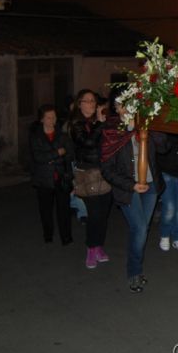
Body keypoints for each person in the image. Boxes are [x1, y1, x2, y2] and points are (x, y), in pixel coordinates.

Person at [100, 99, 165, 293]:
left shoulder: (145, 125)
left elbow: (164, 148)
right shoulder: (111, 132)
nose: (129, 109)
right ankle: (134, 272)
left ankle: (136, 266)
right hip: (128, 189)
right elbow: (107, 169)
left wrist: (154, 127)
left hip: (151, 185)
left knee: (141, 230)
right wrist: (132, 185)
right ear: (117, 108)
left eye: (133, 105)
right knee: (139, 229)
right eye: (123, 105)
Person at [69, 89, 112, 269]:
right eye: (87, 101)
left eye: (93, 100)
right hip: (88, 174)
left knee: (104, 214)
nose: (91, 104)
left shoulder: (98, 121)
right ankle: (91, 248)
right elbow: (87, 142)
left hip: (105, 172)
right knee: (94, 215)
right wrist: (100, 125)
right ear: (80, 104)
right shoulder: (76, 124)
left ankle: (99, 246)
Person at [29, 104, 74, 245]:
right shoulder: (36, 136)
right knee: (45, 209)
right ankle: (48, 234)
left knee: (64, 209)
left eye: (53, 117)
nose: (52, 120)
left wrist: (52, 158)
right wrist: (56, 153)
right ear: (42, 119)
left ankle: (66, 237)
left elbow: (70, 153)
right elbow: (38, 157)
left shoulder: (62, 135)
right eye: (48, 117)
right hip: (43, 178)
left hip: (61, 177)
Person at [156, 133, 178, 252]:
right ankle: (165, 235)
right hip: (166, 172)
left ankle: (177, 237)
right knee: (169, 207)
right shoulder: (167, 130)